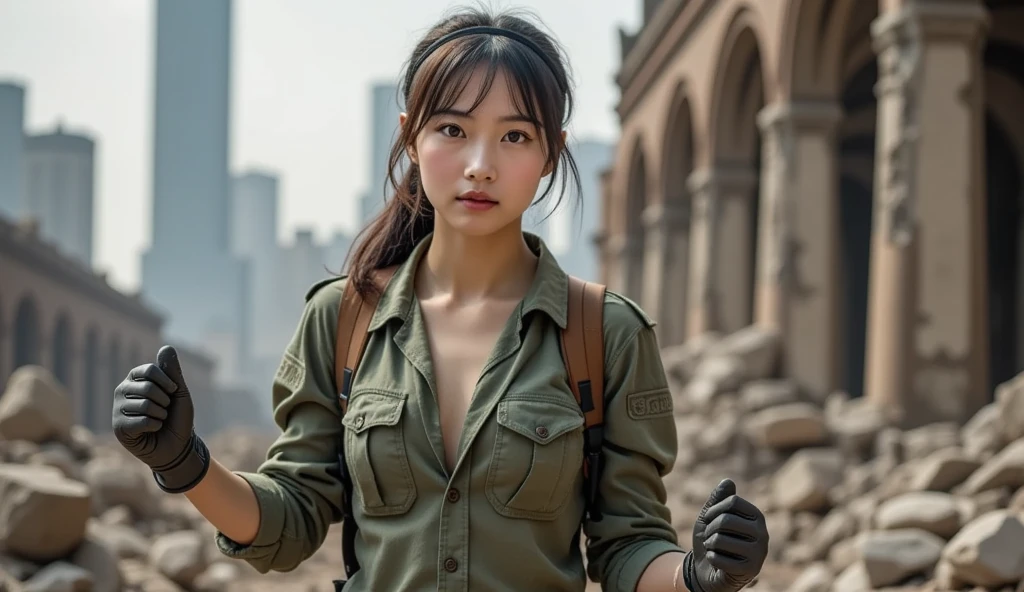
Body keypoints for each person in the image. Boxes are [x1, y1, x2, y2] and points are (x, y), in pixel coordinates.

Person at [111, 6, 769, 591]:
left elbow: (625, 547)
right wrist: (183, 462)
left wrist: (699, 576)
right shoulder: (342, 319)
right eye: (453, 129)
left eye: (514, 135)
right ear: (411, 135)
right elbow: (291, 517)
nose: (479, 163)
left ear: (549, 153)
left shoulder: (604, 333)